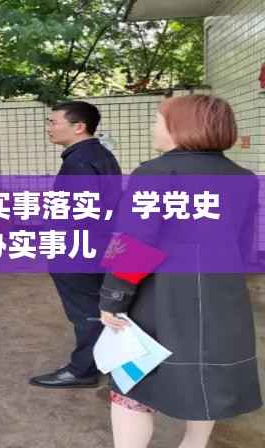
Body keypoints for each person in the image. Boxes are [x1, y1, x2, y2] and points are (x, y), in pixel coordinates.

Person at [99, 94, 263, 448]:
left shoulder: (153, 173)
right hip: (222, 298)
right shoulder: (244, 178)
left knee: (132, 383)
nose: (152, 127)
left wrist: (112, 297)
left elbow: (133, 245)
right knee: (207, 377)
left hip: (159, 297)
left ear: (181, 128)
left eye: (158, 120)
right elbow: (243, 246)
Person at [29, 101, 122, 388]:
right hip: (97, 247)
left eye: (53, 122)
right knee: (97, 309)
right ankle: (104, 361)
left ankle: (83, 371)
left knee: (86, 313)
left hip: (78, 252)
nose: (48, 128)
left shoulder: (79, 162)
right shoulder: (100, 155)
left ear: (78, 127)